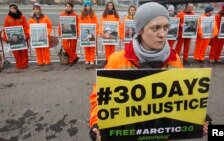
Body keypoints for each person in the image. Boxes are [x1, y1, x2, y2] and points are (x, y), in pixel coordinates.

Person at [89, 2, 209, 141]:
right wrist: (97, 123)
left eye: (166, 27)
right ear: (140, 30)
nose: (163, 34)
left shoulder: (174, 59)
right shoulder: (117, 60)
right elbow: (100, 98)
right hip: (128, 135)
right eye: (155, 28)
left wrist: (199, 116)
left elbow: (183, 98)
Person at [3, 3, 29, 69]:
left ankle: (24, 64)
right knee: (16, 52)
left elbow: (26, 27)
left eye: (14, 8)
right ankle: (19, 64)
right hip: (13, 38)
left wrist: (26, 36)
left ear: (16, 9)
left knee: (24, 52)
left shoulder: (22, 17)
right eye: (11, 8)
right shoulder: (7, 18)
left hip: (22, 38)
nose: (12, 9)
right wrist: (6, 38)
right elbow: (5, 28)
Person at [78, 0, 98, 66]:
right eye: (86, 6)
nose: (87, 7)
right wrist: (80, 31)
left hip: (92, 33)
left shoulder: (93, 15)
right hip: (85, 33)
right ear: (85, 6)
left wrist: (96, 32)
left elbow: (96, 23)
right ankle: (87, 59)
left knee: (92, 47)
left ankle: (91, 60)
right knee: (86, 47)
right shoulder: (82, 15)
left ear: (90, 6)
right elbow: (79, 24)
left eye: (89, 5)